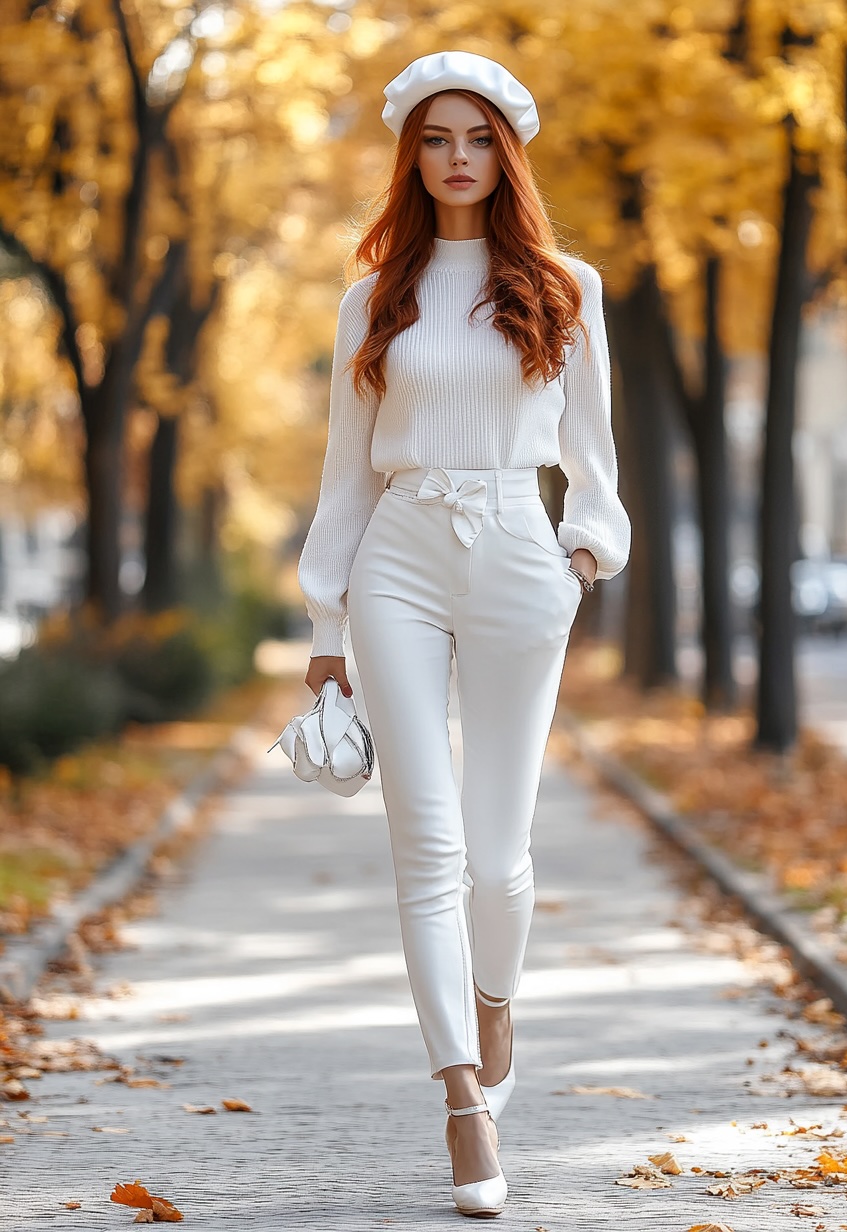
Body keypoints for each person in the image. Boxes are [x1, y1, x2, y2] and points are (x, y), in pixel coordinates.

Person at [298, 49, 631, 1218]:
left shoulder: (564, 284)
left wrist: (582, 556)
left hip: (517, 552)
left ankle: (496, 998)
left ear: (506, 151)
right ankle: (460, 1100)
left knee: (499, 855)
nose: (455, 158)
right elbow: (344, 477)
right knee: (426, 842)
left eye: (476, 138)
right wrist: (326, 616)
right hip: (398, 552)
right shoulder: (371, 297)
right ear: (410, 153)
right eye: (435, 139)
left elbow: (593, 466)